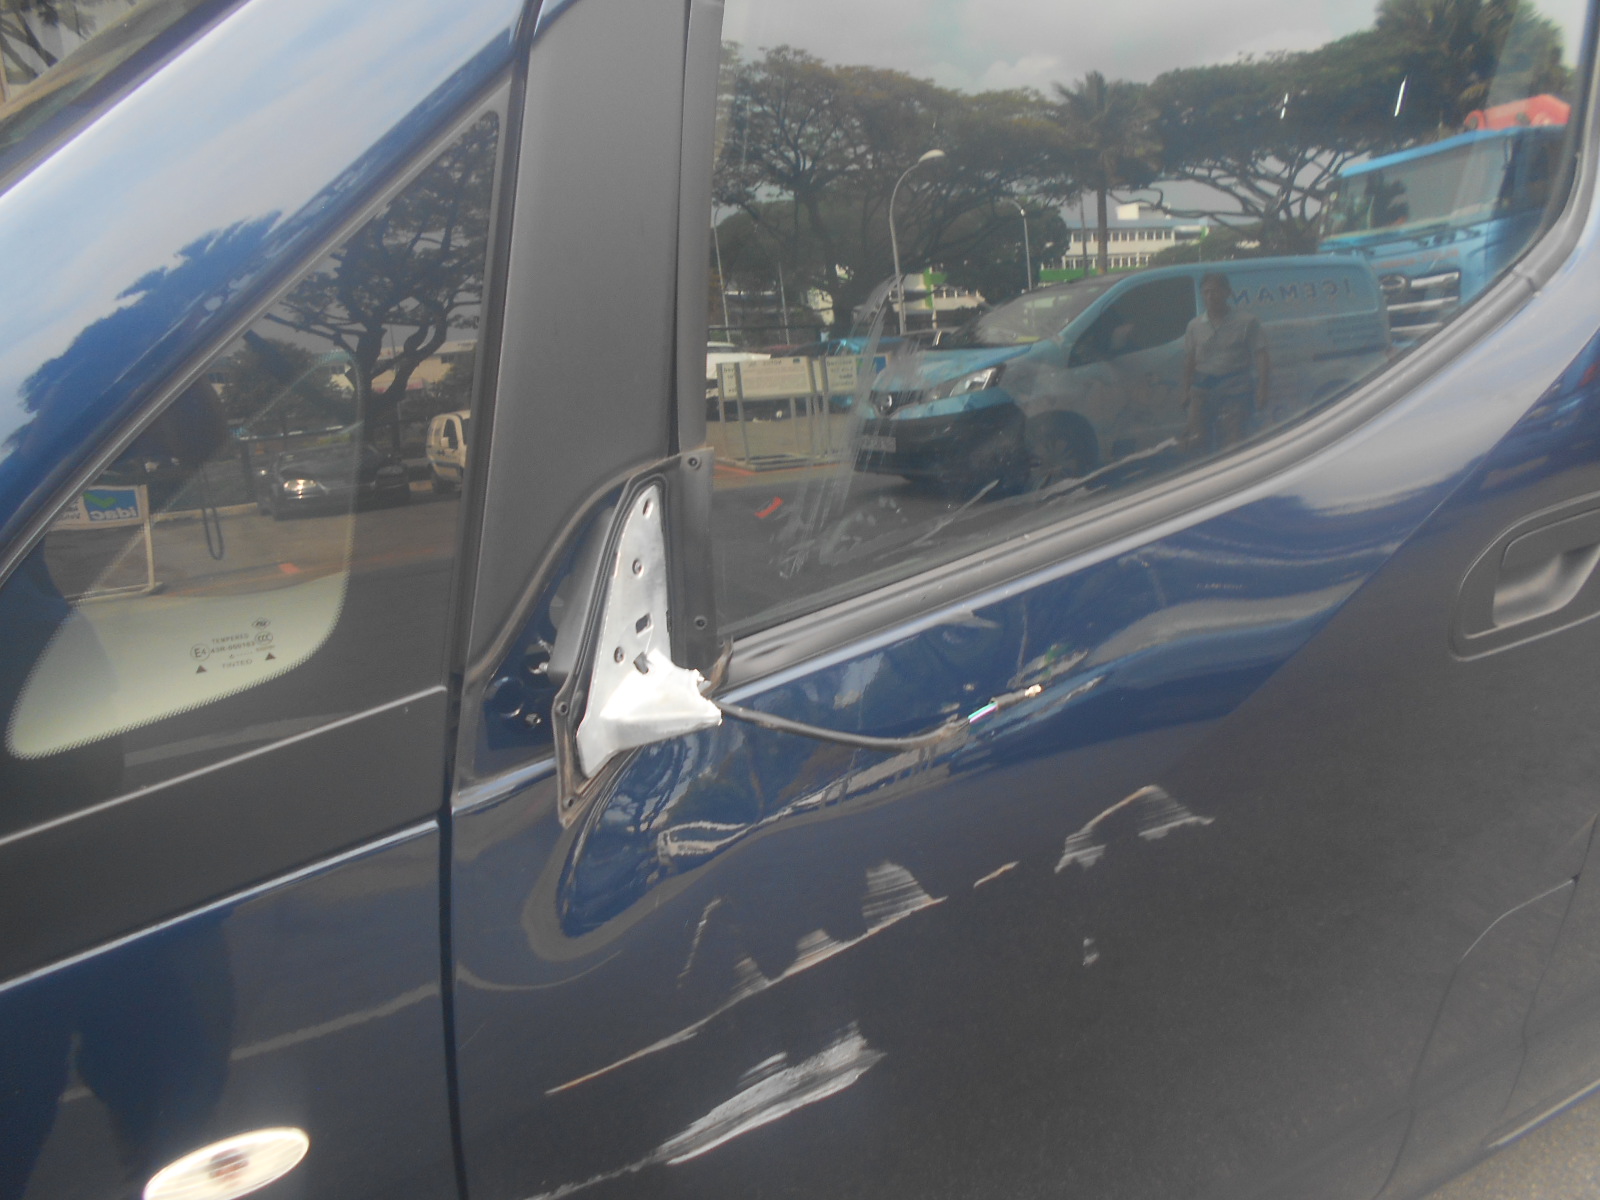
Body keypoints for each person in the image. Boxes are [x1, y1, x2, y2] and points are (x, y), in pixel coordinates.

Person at [1182, 273, 1270, 452]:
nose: (1210, 297)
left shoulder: (1246, 322)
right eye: (1206, 292)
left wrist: (1263, 388)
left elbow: (1261, 355)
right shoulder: (1194, 326)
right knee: (1196, 441)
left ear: (1227, 293)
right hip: (1202, 390)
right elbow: (1190, 360)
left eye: (1215, 291)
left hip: (1235, 390)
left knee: (1233, 442)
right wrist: (1185, 390)